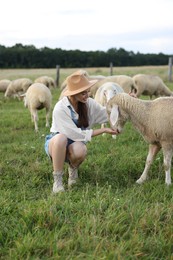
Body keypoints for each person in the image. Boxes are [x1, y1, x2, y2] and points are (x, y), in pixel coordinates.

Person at [44, 70, 118, 193]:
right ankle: (58, 181)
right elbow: (74, 134)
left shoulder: (89, 104)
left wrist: (126, 104)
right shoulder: (60, 108)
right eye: (83, 93)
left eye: (87, 92)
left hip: (75, 143)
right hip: (56, 144)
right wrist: (103, 129)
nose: (87, 95)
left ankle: (73, 171)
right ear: (74, 94)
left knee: (81, 150)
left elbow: (106, 113)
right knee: (61, 138)